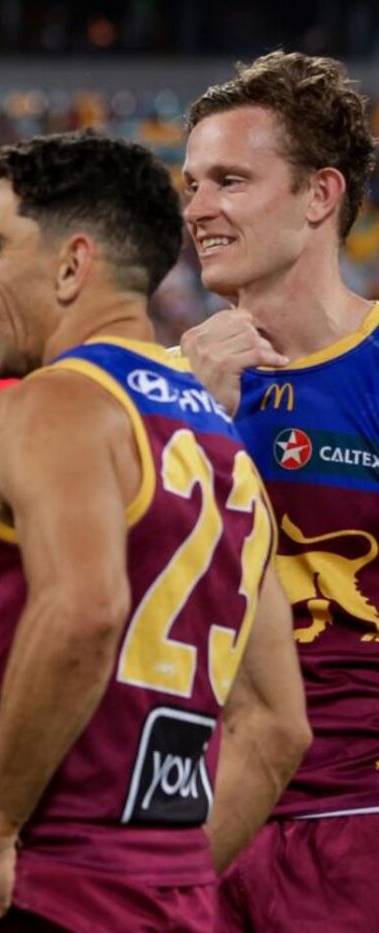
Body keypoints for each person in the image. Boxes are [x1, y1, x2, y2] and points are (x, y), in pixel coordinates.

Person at [0, 132, 310, 931]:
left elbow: (85, 612)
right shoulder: (225, 447)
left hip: (54, 884)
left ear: (72, 265)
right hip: (174, 898)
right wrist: (172, 879)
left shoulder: (53, 402)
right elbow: (276, 725)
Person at [179, 51, 379, 930]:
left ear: (319, 195)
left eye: (229, 180)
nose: (197, 210)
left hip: (352, 838)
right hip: (194, 829)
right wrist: (193, 416)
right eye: (190, 184)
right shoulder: (163, 386)